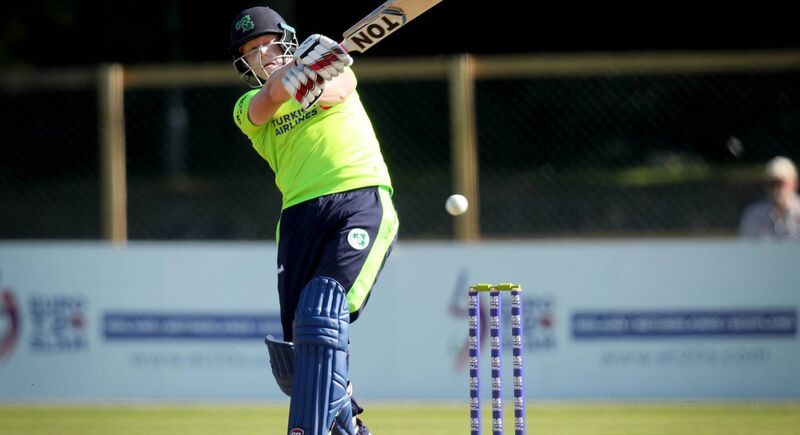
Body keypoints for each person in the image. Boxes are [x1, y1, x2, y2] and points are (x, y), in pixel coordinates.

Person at [228, 6, 399, 435]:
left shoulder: (337, 72)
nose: (261, 53)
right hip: (300, 218)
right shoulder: (247, 105)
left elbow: (334, 92)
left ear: (286, 40)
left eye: (267, 43)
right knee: (300, 362)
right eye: (251, 51)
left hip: (358, 197)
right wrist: (290, 81)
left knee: (322, 310)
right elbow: (265, 104)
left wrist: (310, 74)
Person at [739, 156, 800, 240]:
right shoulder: (753, 215)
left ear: (794, 183)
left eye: (780, 183)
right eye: (772, 183)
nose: (776, 188)